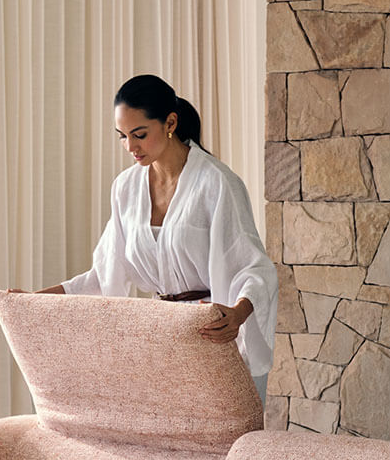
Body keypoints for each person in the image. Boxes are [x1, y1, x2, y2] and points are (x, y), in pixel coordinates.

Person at [25, 74, 277, 401]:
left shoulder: (216, 184)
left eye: (139, 134)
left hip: (211, 338)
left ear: (170, 122)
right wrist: (30, 300)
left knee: (218, 445)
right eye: (122, 136)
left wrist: (239, 313)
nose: (130, 146)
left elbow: (254, 269)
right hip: (160, 340)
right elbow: (106, 275)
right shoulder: (125, 188)